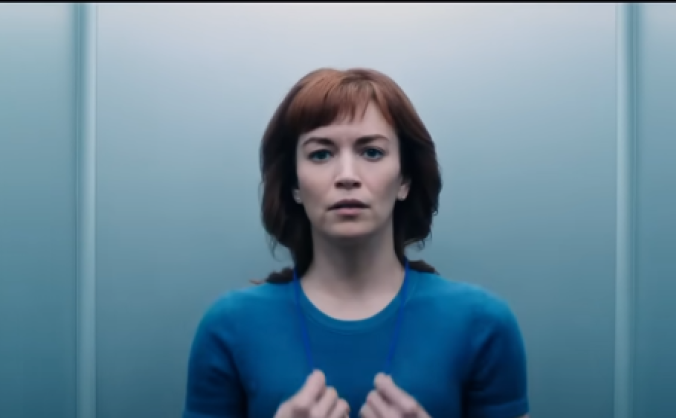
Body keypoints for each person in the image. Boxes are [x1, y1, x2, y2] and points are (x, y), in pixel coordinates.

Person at [183, 68, 529, 418]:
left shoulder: (482, 324)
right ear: (294, 185)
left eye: (372, 152)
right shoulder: (229, 326)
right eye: (321, 154)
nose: (347, 176)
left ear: (405, 179)